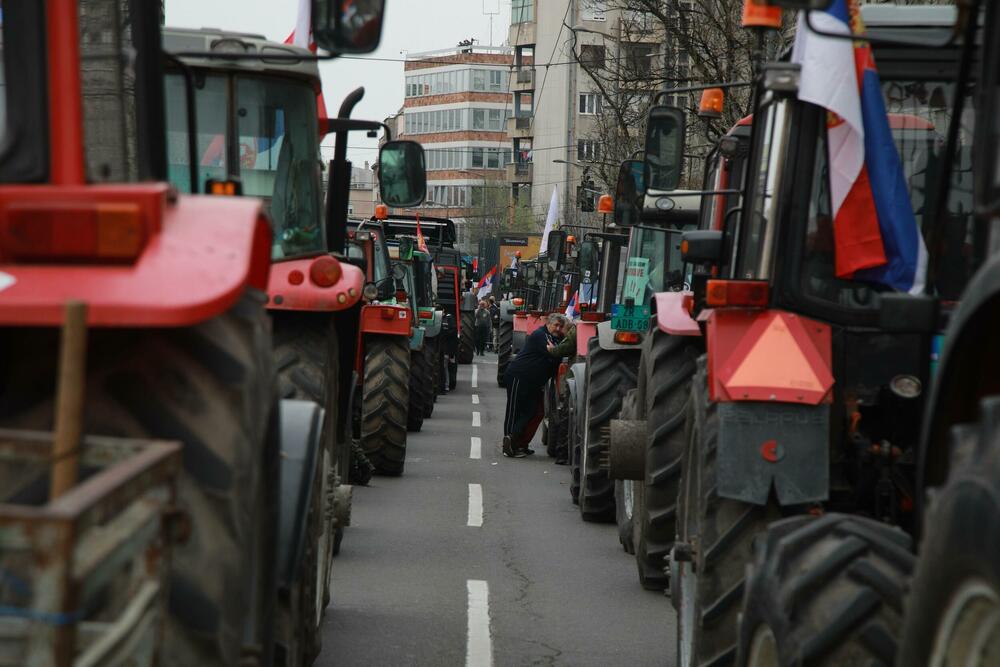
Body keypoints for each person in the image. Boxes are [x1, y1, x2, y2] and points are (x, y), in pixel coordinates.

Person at [502, 313, 567, 458]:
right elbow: (554, 354)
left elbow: (559, 350)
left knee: (533, 411)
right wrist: (556, 351)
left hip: (534, 382)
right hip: (520, 377)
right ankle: (509, 443)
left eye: (560, 326)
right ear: (548, 324)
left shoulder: (555, 338)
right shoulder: (540, 335)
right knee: (514, 410)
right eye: (556, 325)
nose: (558, 328)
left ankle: (519, 443)